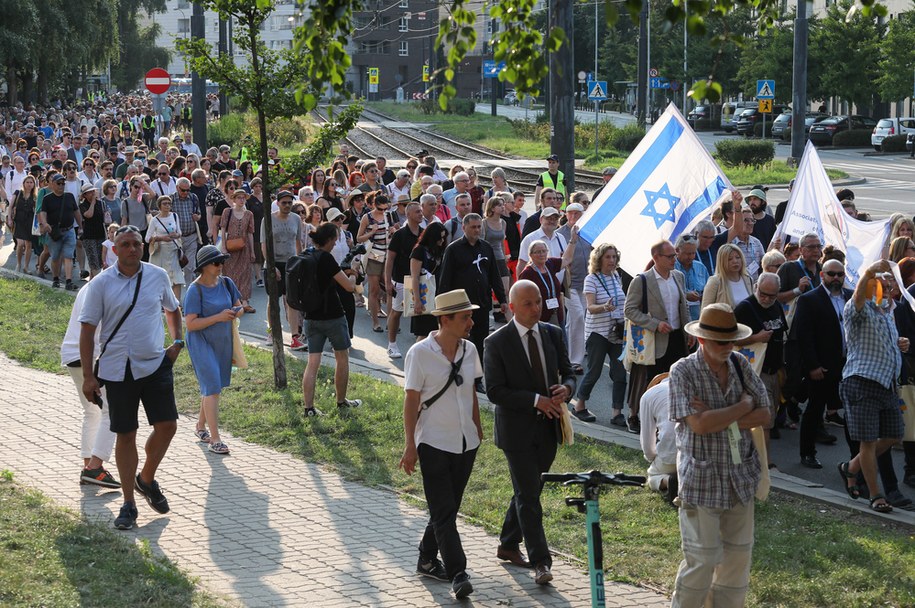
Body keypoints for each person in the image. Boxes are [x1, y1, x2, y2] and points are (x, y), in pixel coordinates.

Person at [79, 225, 184, 531]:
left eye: (136, 244)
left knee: (168, 426)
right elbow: (88, 331)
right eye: (125, 244)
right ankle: (129, 503)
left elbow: (173, 309)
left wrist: (177, 342)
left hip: (154, 364)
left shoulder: (157, 275)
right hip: (116, 369)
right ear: (114, 249)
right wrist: (89, 376)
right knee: (126, 433)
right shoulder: (101, 284)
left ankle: (146, 478)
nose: (132, 249)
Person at [669, 303, 771, 608]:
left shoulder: (740, 364)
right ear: (701, 340)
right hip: (701, 480)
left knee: (737, 560)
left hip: (740, 479)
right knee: (701, 560)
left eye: (731, 340)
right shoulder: (683, 371)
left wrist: (718, 416)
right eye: (720, 342)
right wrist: (741, 408)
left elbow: (766, 414)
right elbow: (698, 426)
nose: (728, 347)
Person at [483, 280, 576, 586]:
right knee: (529, 495)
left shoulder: (553, 333)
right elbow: (495, 390)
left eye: (538, 302)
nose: (536, 308)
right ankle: (541, 561)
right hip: (516, 431)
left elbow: (570, 370)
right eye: (527, 304)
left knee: (529, 490)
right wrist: (536, 401)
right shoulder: (496, 342)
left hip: (548, 430)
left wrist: (568, 388)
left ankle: (508, 543)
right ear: (512, 307)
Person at [399, 289, 484, 599]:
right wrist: (410, 445)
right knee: (445, 511)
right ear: (445, 320)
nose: (471, 322)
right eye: (465, 317)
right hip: (433, 442)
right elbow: (411, 402)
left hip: (466, 443)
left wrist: (477, 425)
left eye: (470, 316)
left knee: (446, 509)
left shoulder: (470, 351)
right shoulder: (419, 354)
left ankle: (426, 557)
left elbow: (471, 391)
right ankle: (458, 572)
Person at [838, 260, 910, 513]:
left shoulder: (887, 310)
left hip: (886, 384)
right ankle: (876, 495)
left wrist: (899, 344)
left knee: (894, 434)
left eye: (890, 282)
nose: (887, 285)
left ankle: (851, 468)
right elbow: (858, 295)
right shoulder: (856, 307)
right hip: (861, 382)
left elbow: (883, 341)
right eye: (881, 281)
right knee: (867, 442)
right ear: (870, 284)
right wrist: (869, 271)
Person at [623, 240, 690, 434]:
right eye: (670, 256)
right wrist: (655, 324)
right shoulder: (642, 280)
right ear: (656, 258)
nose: (674, 260)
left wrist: (687, 331)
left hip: (677, 338)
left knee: (673, 380)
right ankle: (637, 417)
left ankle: (666, 421)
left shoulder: (678, 276)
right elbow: (629, 310)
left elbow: (683, 306)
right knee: (648, 381)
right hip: (652, 341)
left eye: (674, 255)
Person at [184, 245, 245, 455]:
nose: (221, 266)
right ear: (204, 266)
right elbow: (190, 324)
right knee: (213, 387)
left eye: (222, 262)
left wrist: (236, 312)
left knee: (212, 386)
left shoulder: (227, 282)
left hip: (222, 341)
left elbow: (240, 306)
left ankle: (200, 427)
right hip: (200, 341)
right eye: (217, 263)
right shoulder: (195, 289)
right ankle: (215, 439)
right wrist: (219, 317)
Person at [439, 213, 509, 390]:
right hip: (460, 307)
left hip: (481, 304)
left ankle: (477, 379)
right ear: (464, 228)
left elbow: (493, 275)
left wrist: (502, 299)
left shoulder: (486, 248)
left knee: (479, 342)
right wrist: (443, 308)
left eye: (479, 227)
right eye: (473, 227)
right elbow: (445, 279)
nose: (477, 230)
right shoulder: (453, 250)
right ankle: (453, 375)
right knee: (457, 341)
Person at [792, 259, 850, 468]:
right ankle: (807, 453)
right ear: (823, 275)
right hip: (822, 366)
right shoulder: (810, 299)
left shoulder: (850, 297)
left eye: (840, 274)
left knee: (849, 412)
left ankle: (855, 460)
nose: (836, 278)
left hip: (848, 364)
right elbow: (804, 336)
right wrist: (813, 365)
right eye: (831, 274)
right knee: (815, 409)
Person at [300, 222, 362, 416]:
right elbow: (348, 287)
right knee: (342, 358)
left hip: (311, 316)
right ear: (327, 240)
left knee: (312, 363)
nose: (336, 243)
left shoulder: (306, 254)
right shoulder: (326, 259)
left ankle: (309, 408)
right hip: (333, 316)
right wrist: (353, 272)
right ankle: (341, 401)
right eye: (335, 239)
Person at [62, 287, 119, 489]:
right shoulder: (105, 289)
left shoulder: (91, 286)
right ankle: (95, 467)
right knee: (112, 413)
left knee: (92, 413)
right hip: (89, 356)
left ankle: (89, 469)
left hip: (73, 353)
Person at [573, 243, 631, 425]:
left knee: (620, 373)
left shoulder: (616, 276)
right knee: (594, 371)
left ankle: (617, 413)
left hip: (616, 332)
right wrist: (604, 307)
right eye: (608, 257)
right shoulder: (591, 279)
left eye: (614, 257)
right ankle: (579, 405)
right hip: (597, 333)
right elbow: (590, 307)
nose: (612, 261)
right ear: (599, 259)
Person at [734, 272, 787, 460]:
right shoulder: (745, 308)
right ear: (756, 287)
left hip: (774, 371)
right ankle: (764, 463)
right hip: (755, 371)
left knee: (768, 420)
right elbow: (731, 339)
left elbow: (782, 335)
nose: (766, 299)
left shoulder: (776, 306)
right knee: (763, 420)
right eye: (763, 293)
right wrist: (755, 338)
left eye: (771, 296)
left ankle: (761, 461)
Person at [263, 190, 304, 350]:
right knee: (273, 300)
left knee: (292, 301)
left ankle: (295, 337)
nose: (287, 205)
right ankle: (272, 332)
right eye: (284, 202)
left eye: (290, 202)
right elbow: (264, 244)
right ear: (278, 203)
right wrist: (271, 265)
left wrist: (300, 263)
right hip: (274, 263)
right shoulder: (269, 218)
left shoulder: (296, 219)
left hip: (291, 263)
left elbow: (298, 242)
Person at [384, 201, 424, 358]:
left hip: (418, 280)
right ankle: (392, 344)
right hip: (400, 280)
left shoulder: (423, 233)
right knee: (397, 312)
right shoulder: (400, 234)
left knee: (420, 311)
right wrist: (388, 281)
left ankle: (418, 346)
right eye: (417, 212)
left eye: (421, 211)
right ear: (408, 215)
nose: (421, 214)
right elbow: (390, 259)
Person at [556, 202, 590, 371]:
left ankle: (572, 349)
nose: (574, 217)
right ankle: (575, 361)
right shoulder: (560, 234)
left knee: (578, 318)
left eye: (578, 214)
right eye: (571, 213)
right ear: (566, 215)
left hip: (586, 282)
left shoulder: (588, 232)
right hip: (568, 284)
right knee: (577, 316)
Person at [39, 172, 83, 290]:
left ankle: (68, 281)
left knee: (68, 255)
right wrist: (45, 223)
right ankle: (56, 279)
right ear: (52, 184)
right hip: (54, 232)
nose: (61, 185)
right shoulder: (47, 199)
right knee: (55, 257)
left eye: (63, 183)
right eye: (58, 183)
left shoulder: (69, 196)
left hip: (69, 231)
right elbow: (42, 213)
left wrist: (81, 226)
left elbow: (76, 212)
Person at [638, 374, 676, 503]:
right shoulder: (695, 387)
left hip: (671, 454)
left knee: (652, 477)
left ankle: (669, 481)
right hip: (703, 454)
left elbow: (648, 445)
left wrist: (652, 458)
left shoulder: (649, 395)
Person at [409, 222, 448, 340]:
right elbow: (414, 277)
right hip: (424, 295)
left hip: (437, 295)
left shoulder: (439, 251)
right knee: (424, 333)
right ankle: (414, 357)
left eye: (444, 237)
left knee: (437, 332)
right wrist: (417, 300)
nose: (442, 241)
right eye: (439, 238)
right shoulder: (419, 251)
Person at [219, 189, 255, 312]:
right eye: (238, 197)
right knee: (229, 273)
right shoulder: (227, 212)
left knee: (245, 274)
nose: (241, 200)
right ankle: (232, 301)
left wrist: (253, 251)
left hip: (244, 247)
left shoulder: (249, 214)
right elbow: (223, 230)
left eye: (243, 198)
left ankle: (244, 302)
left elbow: (250, 233)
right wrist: (223, 247)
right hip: (230, 246)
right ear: (233, 199)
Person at [145, 195, 186, 301]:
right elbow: (147, 238)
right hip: (161, 252)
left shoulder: (175, 216)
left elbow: (179, 232)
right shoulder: (155, 220)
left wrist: (176, 235)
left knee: (177, 278)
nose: (167, 206)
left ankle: (177, 304)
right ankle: (162, 303)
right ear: (159, 205)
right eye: (165, 203)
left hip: (173, 250)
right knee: (162, 278)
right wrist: (161, 238)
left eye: (169, 203)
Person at [701, 244, 753, 310]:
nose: (735, 261)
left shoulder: (748, 279)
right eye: (729, 259)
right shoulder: (715, 281)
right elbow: (705, 311)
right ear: (722, 262)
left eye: (738, 257)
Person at [674, 234, 709, 321]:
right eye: (687, 253)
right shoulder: (670, 268)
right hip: (678, 320)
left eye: (693, 253)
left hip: (699, 318)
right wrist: (685, 295)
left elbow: (709, 289)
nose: (691, 257)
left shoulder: (700, 267)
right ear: (677, 250)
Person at [9, 173, 38, 274]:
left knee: (29, 244)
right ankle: (18, 264)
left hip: (29, 222)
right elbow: (10, 206)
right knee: (20, 244)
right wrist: (9, 219)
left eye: (31, 182)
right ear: (24, 183)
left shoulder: (35, 196)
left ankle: (26, 266)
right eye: (27, 182)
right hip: (19, 221)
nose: (29, 184)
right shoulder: (18, 193)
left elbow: (37, 210)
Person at [78, 183, 106, 280]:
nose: (92, 194)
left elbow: (105, 217)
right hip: (89, 236)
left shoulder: (101, 203)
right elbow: (88, 215)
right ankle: (98, 283)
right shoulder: (83, 206)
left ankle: (92, 282)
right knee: (93, 261)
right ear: (85, 195)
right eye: (89, 192)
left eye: (93, 191)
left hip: (101, 234)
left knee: (100, 260)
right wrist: (93, 203)